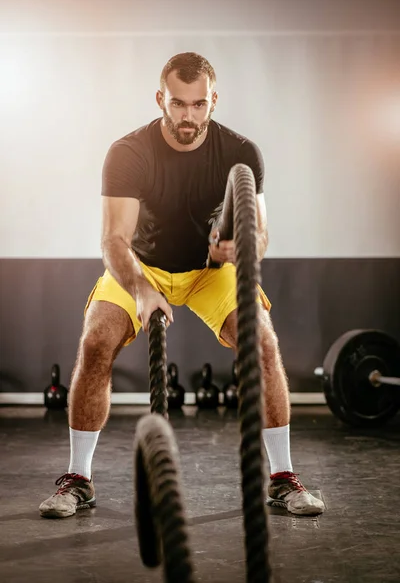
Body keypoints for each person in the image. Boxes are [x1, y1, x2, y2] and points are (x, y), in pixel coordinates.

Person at [39, 52, 324, 519]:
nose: (187, 115)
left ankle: (282, 478)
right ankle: (77, 479)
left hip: (209, 271)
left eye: (197, 104)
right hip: (141, 266)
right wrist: (139, 288)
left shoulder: (240, 152)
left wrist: (240, 249)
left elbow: (261, 232)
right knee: (95, 342)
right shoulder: (129, 152)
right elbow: (113, 239)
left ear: (214, 99)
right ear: (160, 99)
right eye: (177, 104)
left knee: (263, 345)